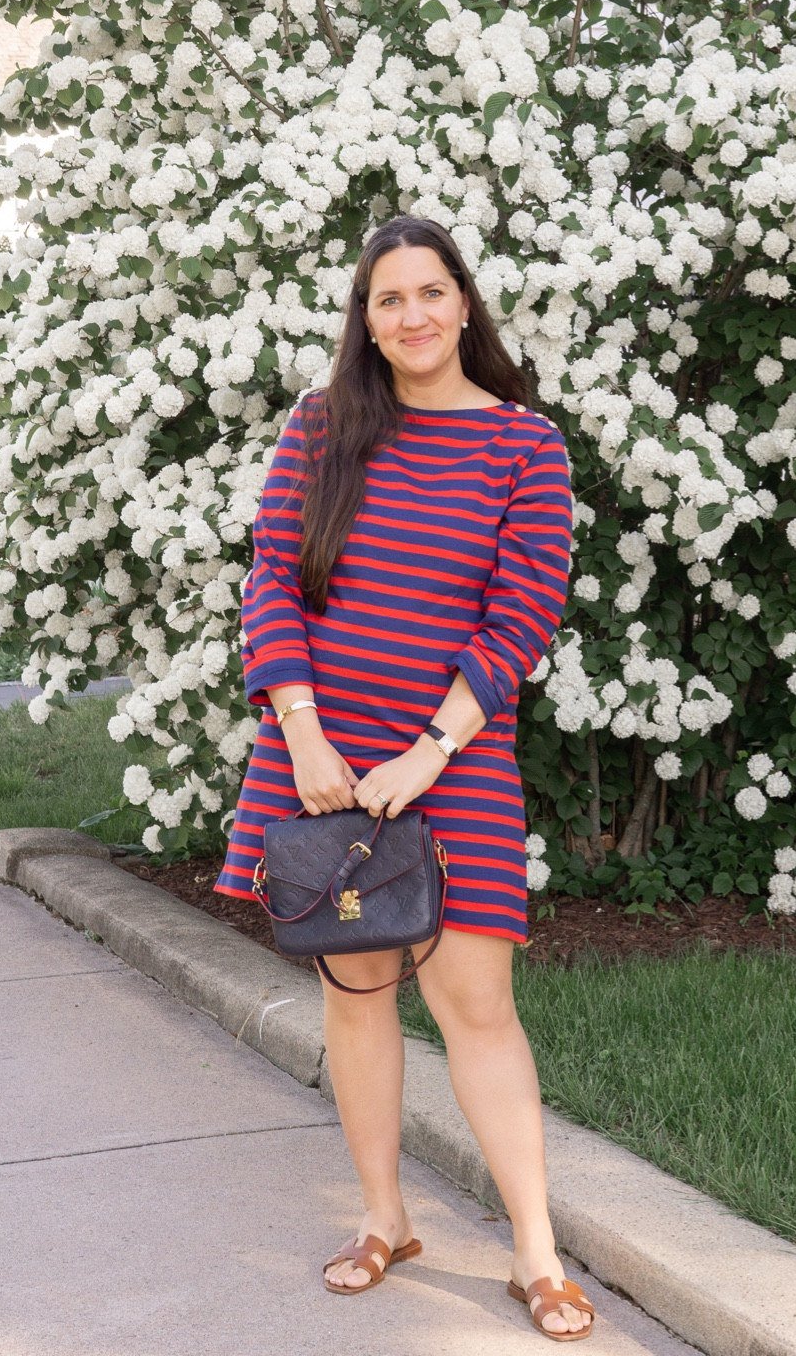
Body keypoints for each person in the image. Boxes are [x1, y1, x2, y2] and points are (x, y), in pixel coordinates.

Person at [215, 214, 594, 1341]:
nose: (414, 314)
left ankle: (535, 1247)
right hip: (319, 756)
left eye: (432, 291)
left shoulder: (527, 445)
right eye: (390, 298)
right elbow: (271, 577)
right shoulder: (321, 426)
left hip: (456, 753)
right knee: (357, 989)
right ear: (365, 320)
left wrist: (431, 748)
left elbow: (522, 612)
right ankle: (385, 1216)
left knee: (476, 1000)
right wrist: (304, 734)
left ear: (463, 304)